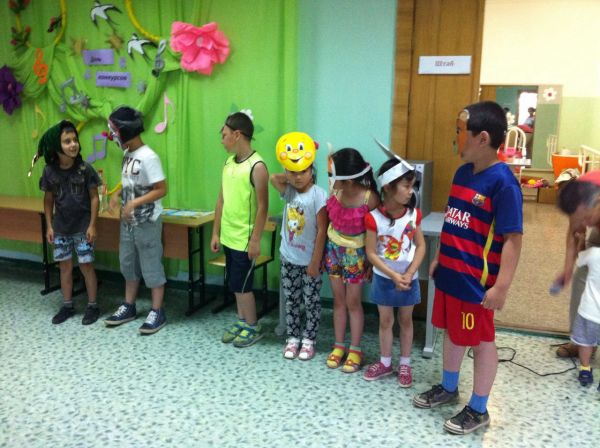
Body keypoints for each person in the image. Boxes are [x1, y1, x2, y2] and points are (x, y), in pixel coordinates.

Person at [413, 101, 523, 435]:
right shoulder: (462, 174)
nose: (455, 138)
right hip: (450, 274)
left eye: (460, 131)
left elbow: (513, 240)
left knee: (481, 341)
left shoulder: (504, 184)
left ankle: (479, 408)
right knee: (453, 331)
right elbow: (453, 221)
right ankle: (448, 387)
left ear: (482, 138)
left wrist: (501, 287)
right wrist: (438, 256)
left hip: (477, 284)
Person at [104, 106, 168, 335]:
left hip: (147, 221)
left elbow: (161, 189)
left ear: (125, 131)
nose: (111, 135)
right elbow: (132, 184)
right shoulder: (127, 155)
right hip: (128, 222)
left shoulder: (149, 157)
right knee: (128, 263)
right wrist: (118, 195)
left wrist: (135, 203)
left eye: (114, 130)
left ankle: (157, 311)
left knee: (151, 264)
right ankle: (129, 306)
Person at [363, 155, 426, 387]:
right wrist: (392, 275)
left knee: (406, 320)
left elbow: (421, 246)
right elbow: (371, 253)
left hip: (409, 278)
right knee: (386, 321)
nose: (411, 191)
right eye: (406, 186)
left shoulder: (413, 215)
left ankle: (405, 364)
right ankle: (386, 362)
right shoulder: (373, 218)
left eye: (412, 186)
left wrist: (409, 273)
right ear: (388, 187)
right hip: (384, 278)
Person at [211, 111, 269, 348]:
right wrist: (216, 232)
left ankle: (253, 326)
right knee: (235, 283)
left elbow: (263, 207)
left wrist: (255, 240)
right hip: (228, 236)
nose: (222, 140)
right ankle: (242, 320)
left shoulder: (257, 166)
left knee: (244, 286)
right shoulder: (228, 163)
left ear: (237, 135)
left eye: (224, 135)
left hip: (245, 240)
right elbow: (221, 200)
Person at [271, 131, 328, 360]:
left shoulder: (318, 195)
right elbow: (274, 178)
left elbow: (323, 229)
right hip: (288, 257)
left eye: (303, 171)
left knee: (311, 301)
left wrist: (315, 261)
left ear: (312, 170)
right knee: (291, 300)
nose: (298, 177)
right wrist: (290, 172)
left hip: (309, 261)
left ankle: (309, 340)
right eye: (293, 172)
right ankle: (293, 338)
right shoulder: (289, 192)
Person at [38, 120, 101, 325]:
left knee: (86, 265)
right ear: (56, 146)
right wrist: (49, 226)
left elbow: (94, 198)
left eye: (75, 140)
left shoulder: (85, 169)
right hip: (61, 229)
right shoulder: (49, 171)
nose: (73, 144)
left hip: (83, 228)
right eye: (67, 141)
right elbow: (48, 200)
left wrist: (92, 225)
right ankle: (67, 305)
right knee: (64, 267)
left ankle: (93, 306)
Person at [324, 148, 379, 373]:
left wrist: (371, 262)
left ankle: (355, 349)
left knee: (353, 302)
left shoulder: (369, 198)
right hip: (333, 251)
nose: (330, 179)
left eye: (332, 174)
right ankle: (339, 345)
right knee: (338, 300)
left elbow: (377, 233)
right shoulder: (335, 193)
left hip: (356, 256)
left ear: (347, 179)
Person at [554, 170, 600, 359]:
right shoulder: (578, 197)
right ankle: (581, 340)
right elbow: (574, 232)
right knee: (583, 275)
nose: (584, 224)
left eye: (586, 219)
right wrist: (567, 270)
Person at [570, 245, 600, 389]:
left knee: (586, 343)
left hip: (590, 312)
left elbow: (580, 259)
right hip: (591, 312)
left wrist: (581, 241)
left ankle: (585, 370)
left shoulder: (594, 253)